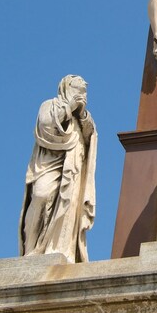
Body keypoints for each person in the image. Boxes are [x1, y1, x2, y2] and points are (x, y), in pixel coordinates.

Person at [18, 75, 97, 262]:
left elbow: (90, 135)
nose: (82, 96)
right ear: (67, 89)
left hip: (73, 166)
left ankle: (60, 248)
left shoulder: (82, 116)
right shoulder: (50, 105)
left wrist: (83, 115)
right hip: (48, 163)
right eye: (78, 91)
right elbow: (46, 125)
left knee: (69, 204)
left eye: (84, 93)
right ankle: (31, 248)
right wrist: (69, 107)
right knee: (41, 195)